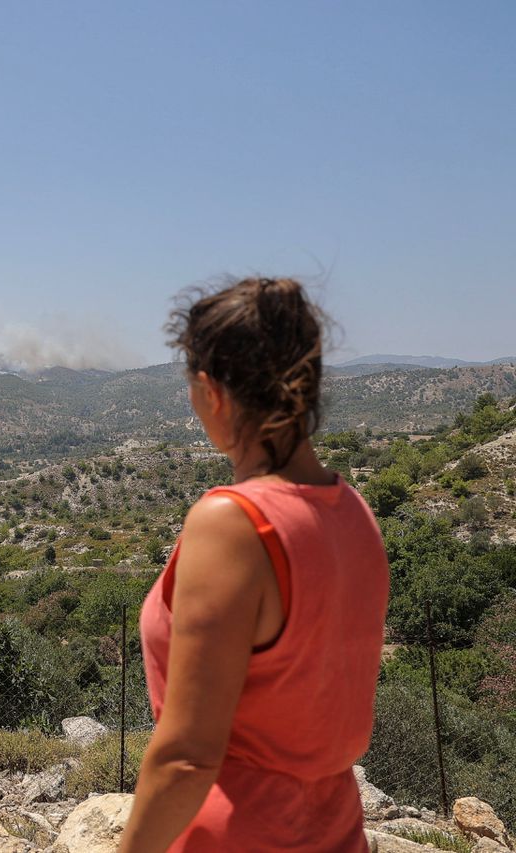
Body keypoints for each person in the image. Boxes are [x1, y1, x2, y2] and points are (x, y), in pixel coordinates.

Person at [119, 277, 389, 852]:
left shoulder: (233, 523)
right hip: (337, 832)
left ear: (212, 390)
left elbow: (188, 759)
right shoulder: (355, 514)